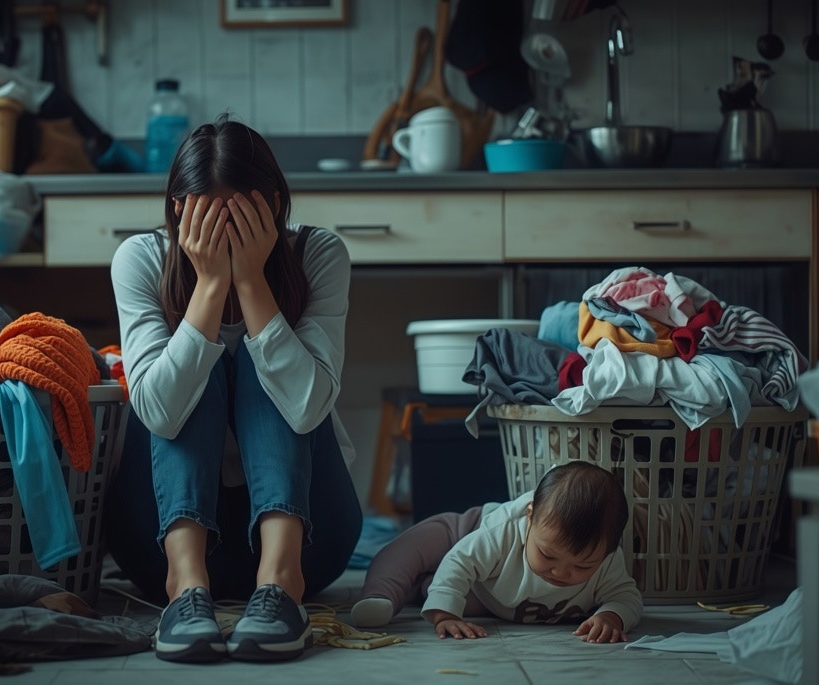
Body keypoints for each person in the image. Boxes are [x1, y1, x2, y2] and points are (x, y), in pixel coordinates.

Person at [104, 114, 363, 664]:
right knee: (179, 377)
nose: (223, 237)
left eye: (241, 221)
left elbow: (309, 404)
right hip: (158, 541)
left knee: (259, 354)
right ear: (179, 210)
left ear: (272, 207)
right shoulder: (142, 258)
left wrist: (251, 282)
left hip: (310, 540)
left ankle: (280, 581)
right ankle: (186, 584)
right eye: (207, 220)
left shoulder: (319, 255)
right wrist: (212, 283)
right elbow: (156, 410)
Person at [350, 461, 642, 644]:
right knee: (407, 551)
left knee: (441, 589)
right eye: (549, 555)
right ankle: (380, 595)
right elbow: (459, 561)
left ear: (608, 551)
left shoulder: (606, 559)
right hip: (464, 532)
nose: (562, 573)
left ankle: (425, 587)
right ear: (530, 517)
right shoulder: (503, 531)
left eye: (582, 567)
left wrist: (612, 616)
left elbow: (627, 596)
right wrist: (444, 615)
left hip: (491, 593)